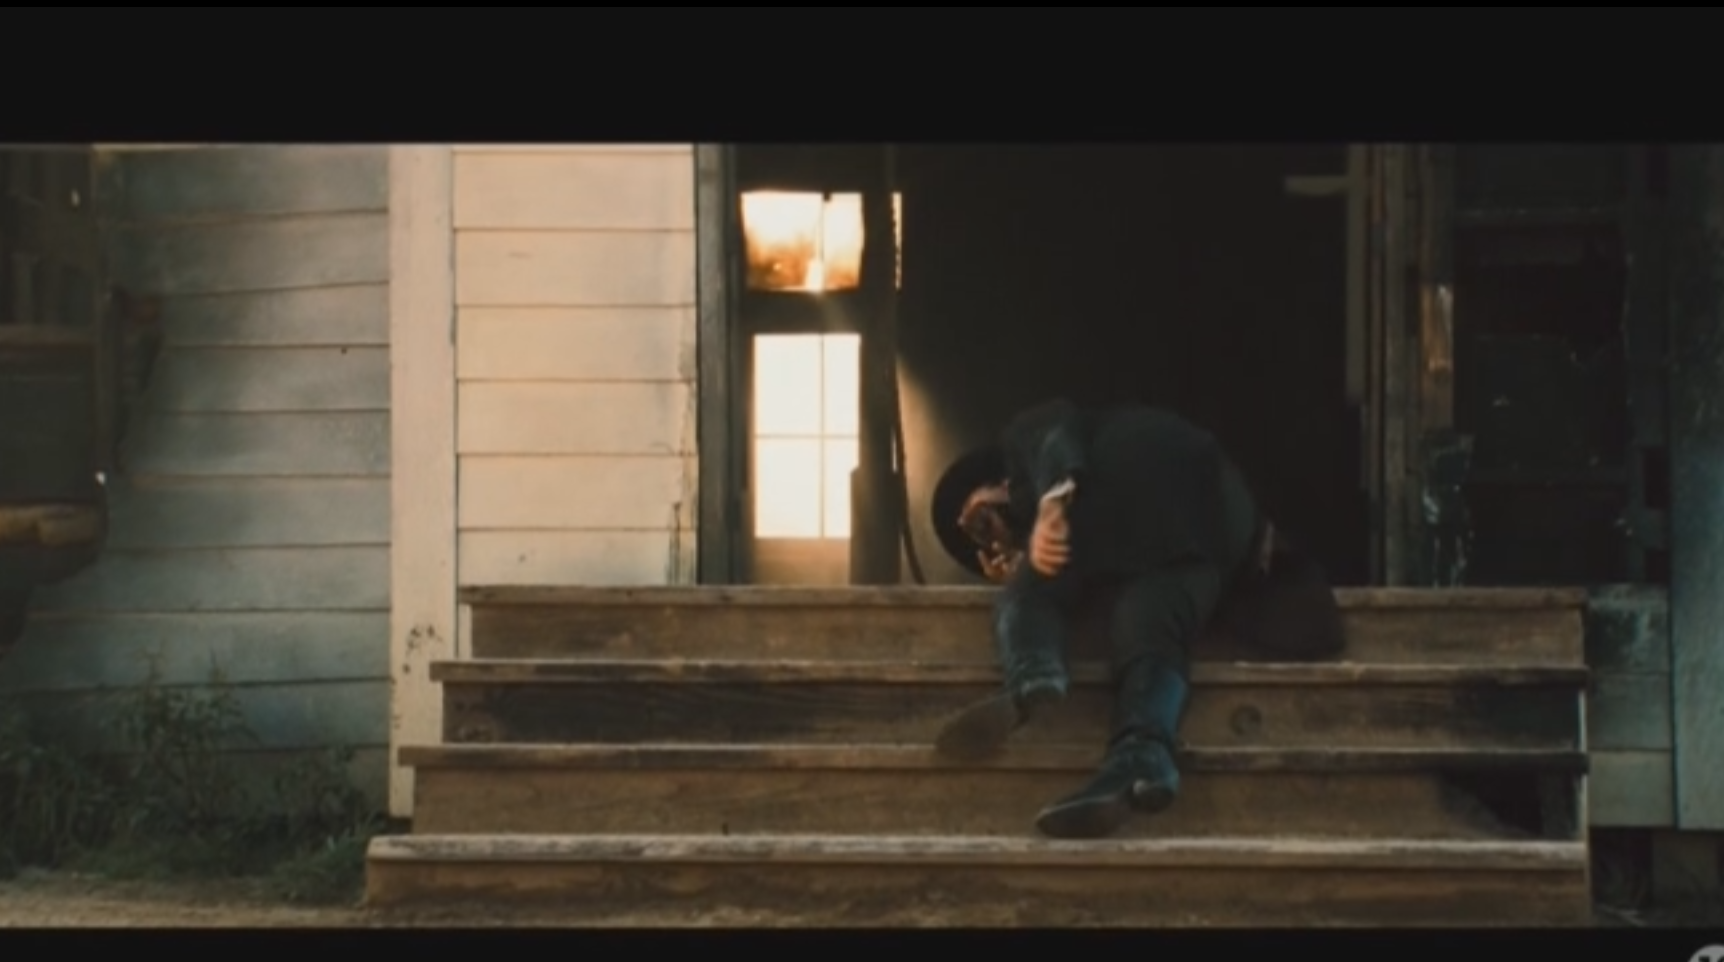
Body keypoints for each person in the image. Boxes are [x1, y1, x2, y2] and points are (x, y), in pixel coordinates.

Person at [928, 398, 1346, 839]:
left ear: (994, 481)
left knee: (1024, 597)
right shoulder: (1097, 553)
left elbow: (1053, 437)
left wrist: (1050, 501)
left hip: (1149, 477)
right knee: (1147, 626)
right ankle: (1143, 758)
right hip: (1208, 535)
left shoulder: (1024, 438)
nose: (989, 534)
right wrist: (1019, 548)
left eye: (981, 520)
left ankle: (1033, 672)